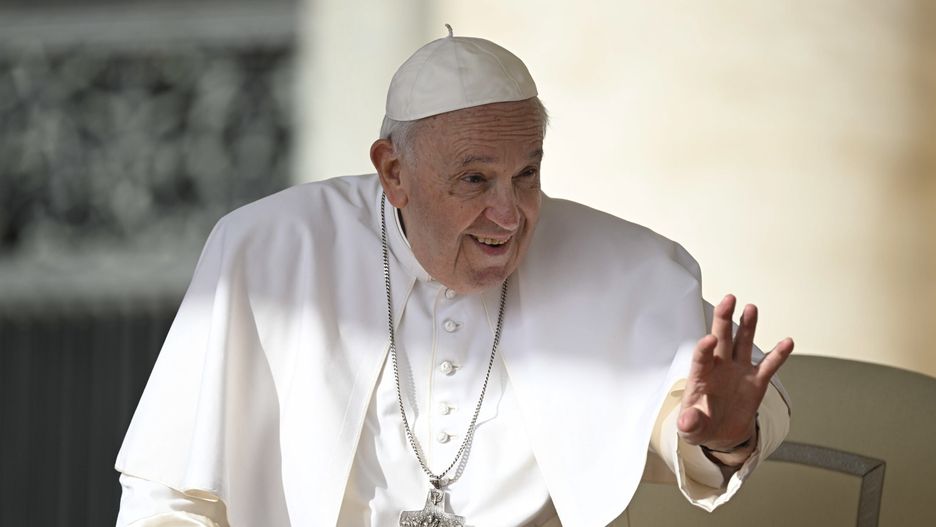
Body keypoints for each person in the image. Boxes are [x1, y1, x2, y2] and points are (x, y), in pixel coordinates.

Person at [115, 27, 793, 527]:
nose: (509, 212)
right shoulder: (268, 251)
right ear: (393, 172)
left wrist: (722, 435)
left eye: (526, 173)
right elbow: (171, 491)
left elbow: (691, 420)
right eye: (474, 179)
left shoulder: (623, 264)